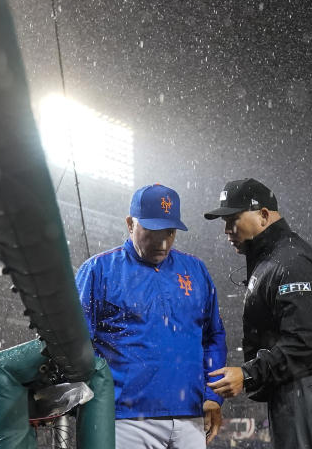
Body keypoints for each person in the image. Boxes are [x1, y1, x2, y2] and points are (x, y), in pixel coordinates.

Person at [203, 178, 312, 449]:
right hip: (297, 383)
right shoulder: (273, 258)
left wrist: (249, 374)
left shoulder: (290, 260)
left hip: (310, 382)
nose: (226, 230)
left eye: (233, 219)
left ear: (263, 215)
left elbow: (304, 340)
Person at [75, 183, 227, 448]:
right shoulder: (99, 270)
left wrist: (213, 395)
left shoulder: (196, 270)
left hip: (191, 416)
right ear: (130, 224)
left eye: (170, 232)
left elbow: (213, 337)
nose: (163, 242)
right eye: (153, 231)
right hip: (124, 419)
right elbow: (76, 344)